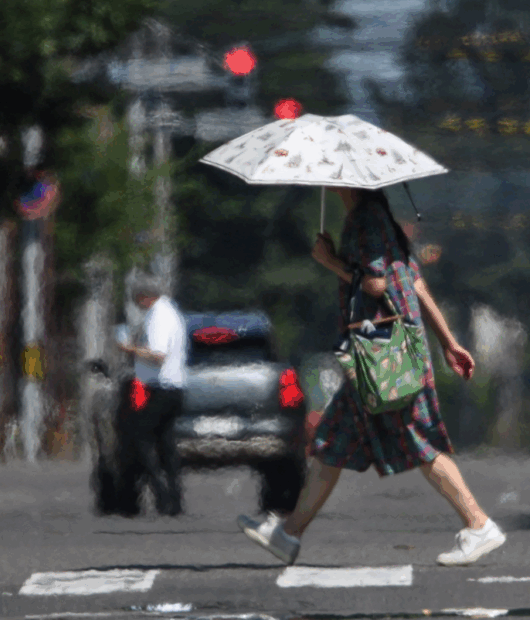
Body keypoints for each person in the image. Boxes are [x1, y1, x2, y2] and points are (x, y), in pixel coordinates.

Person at [237, 186, 505, 567]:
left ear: (349, 184)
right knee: (332, 440)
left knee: (419, 439)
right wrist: (448, 341)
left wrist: (328, 261)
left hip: (385, 355)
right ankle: (289, 534)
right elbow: (415, 282)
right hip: (386, 350)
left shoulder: (365, 221)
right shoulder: (384, 220)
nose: (328, 185)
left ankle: (479, 524)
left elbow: (375, 283)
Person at [116, 272, 189, 516]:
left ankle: (162, 493)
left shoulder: (159, 316)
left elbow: (158, 354)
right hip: (174, 387)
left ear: (145, 297)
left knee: (142, 439)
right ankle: (175, 499)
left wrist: (130, 349)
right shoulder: (171, 312)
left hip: (160, 388)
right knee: (167, 444)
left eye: (138, 299)